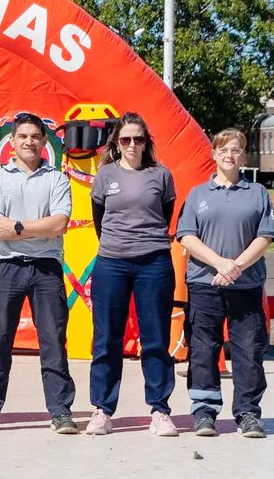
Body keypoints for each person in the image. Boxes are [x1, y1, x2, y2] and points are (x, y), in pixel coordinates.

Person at [0, 113, 77, 435]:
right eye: (23, 136)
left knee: (53, 340)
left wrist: (16, 227)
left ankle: (60, 412)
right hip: (7, 268)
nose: (29, 141)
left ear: (44, 142)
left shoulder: (56, 179)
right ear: (11, 142)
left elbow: (59, 225)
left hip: (47, 270)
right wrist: (33, 230)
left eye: (35, 137)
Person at [177, 128, 274, 438]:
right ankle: (205, 412)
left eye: (235, 150)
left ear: (242, 156)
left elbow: (265, 236)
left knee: (248, 350)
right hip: (205, 283)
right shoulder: (198, 195)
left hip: (245, 286)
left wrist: (236, 267)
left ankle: (248, 413)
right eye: (223, 150)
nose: (229, 155)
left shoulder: (257, 193)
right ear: (214, 155)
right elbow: (187, 236)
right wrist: (220, 264)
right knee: (204, 349)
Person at [87, 112, 179, 437]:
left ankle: (160, 410)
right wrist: (120, 244)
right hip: (112, 262)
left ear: (146, 143)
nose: (132, 145)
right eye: (126, 139)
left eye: (138, 139)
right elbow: (100, 219)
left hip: (153, 262)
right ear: (117, 143)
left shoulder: (161, 175)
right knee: (107, 339)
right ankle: (102, 409)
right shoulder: (105, 175)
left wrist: (144, 241)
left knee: (155, 340)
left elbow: (165, 213)